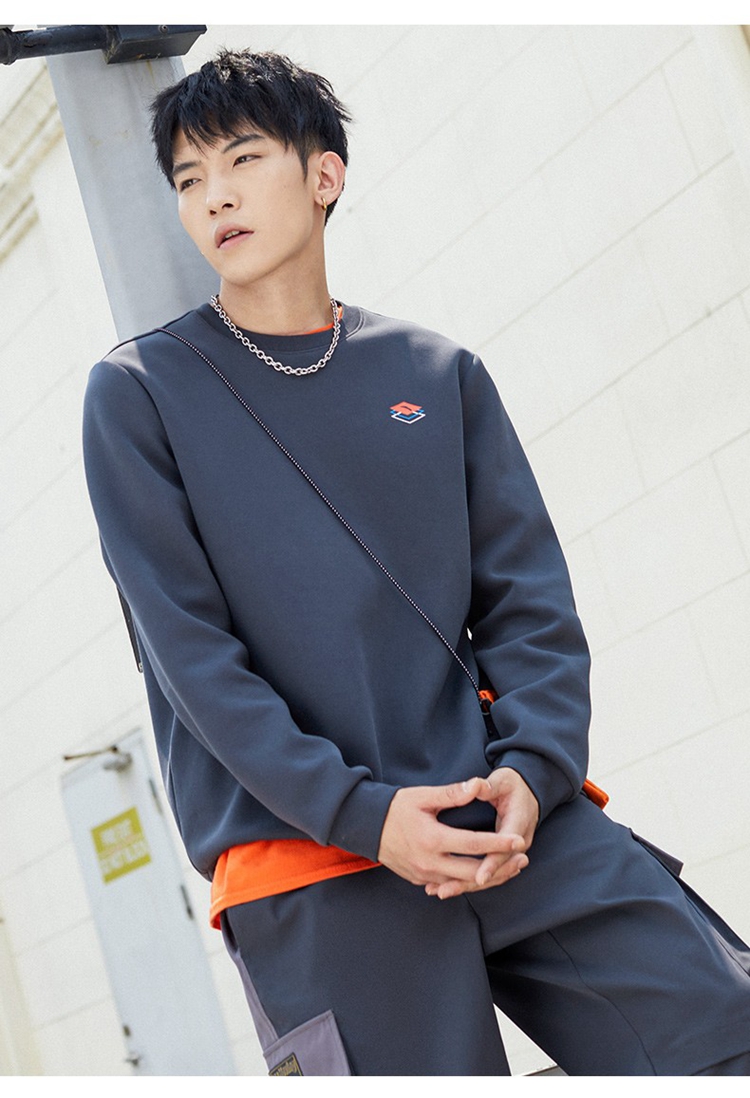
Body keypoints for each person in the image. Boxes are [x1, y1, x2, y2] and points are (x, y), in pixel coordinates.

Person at [82, 48, 750, 1076]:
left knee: (721, 1028)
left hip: (503, 823)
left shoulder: (437, 374)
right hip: (310, 862)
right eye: (188, 178)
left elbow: (528, 607)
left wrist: (534, 769)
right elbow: (194, 662)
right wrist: (364, 815)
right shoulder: (139, 395)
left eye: (243, 160)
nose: (214, 196)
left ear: (324, 175)